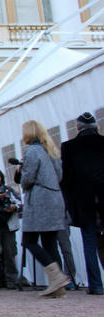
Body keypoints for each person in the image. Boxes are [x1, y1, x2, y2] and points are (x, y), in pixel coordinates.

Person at [17, 120, 70, 298]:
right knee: (50, 242)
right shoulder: (52, 150)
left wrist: (22, 172)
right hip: (55, 197)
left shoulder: (32, 151)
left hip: (40, 198)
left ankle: (56, 277)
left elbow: (27, 179)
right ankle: (58, 286)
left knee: (29, 240)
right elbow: (60, 176)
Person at [61, 112, 104, 296]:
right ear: (95, 126)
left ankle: (96, 284)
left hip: (84, 201)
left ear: (78, 127)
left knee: (89, 242)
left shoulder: (69, 147)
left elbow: (66, 179)